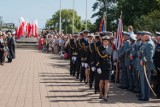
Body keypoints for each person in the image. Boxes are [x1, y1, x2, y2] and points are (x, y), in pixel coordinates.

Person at [138, 31, 155, 101]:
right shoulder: (146, 43)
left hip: (146, 65)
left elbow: (149, 56)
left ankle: (145, 97)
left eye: (143, 35)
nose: (141, 37)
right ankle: (143, 95)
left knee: (146, 82)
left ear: (146, 36)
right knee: (143, 81)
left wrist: (143, 60)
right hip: (144, 65)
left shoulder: (149, 44)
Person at [96, 36, 112, 101]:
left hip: (108, 66)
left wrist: (113, 68)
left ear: (108, 42)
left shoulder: (110, 49)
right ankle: (100, 93)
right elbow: (98, 58)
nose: (105, 42)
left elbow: (112, 59)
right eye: (104, 41)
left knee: (107, 81)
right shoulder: (99, 48)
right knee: (101, 81)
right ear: (102, 42)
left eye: (107, 41)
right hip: (102, 66)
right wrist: (98, 67)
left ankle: (105, 95)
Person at [153, 32, 160, 99]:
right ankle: (158, 93)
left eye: (157, 36)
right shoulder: (157, 45)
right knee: (158, 80)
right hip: (157, 65)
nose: (156, 37)